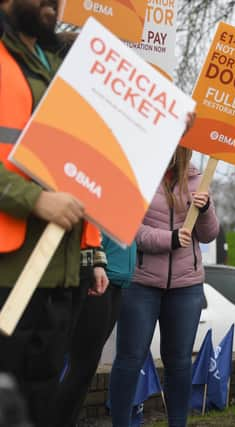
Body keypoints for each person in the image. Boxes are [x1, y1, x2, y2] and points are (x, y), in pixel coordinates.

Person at [0, 0, 103, 425]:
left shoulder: (58, 64)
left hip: (56, 276)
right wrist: (35, 199)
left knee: (38, 407)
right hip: (8, 277)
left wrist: (166, 127)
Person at [109, 146, 219, 427]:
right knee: (129, 359)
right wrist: (168, 238)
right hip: (142, 283)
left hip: (187, 286)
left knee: (180, 362)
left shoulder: (199, 179)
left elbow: (208, 235)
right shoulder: (141, 175)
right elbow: (131, 229)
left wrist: (205, 210)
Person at [51, 234, 136, 427]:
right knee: (82, 366)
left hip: (117, 282)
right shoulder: (108, 202)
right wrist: (96, 266)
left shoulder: (134, 203)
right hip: (98, 278)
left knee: (86, 368)